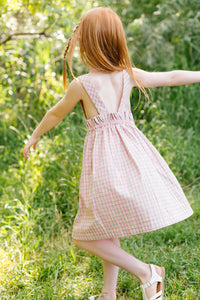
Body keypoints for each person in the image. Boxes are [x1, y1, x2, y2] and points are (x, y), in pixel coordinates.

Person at [23, 6, 199, 300]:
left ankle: (146, 272)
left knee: (83, 235)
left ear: (88, 43)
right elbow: (170, 76)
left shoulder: (82, 85)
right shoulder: (126, 75)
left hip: (104, 164)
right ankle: (108, 294)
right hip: (132, 158)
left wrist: (34, 135)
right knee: (106, 225)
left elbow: (55, 114)